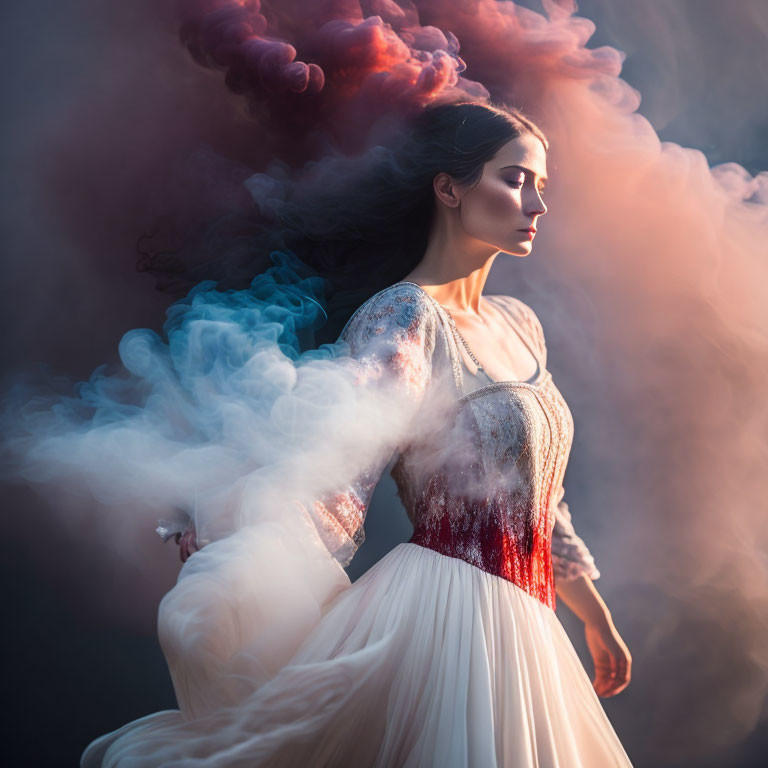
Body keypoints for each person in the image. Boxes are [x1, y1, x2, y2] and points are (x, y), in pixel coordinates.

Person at [82, 100, 634, 766]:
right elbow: (338, 472)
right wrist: (232, 532)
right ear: (449, 186)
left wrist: (591, 613)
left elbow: (539, 491)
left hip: (530, 626)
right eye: (515, 178)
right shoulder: (403, 316)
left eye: (541, 185)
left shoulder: (520, 323)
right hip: (447, 620)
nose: (537, 204)